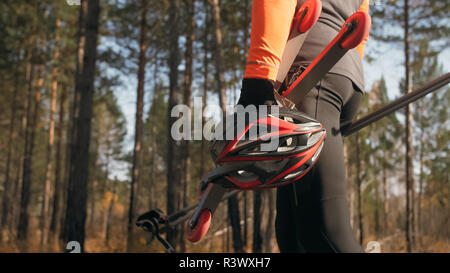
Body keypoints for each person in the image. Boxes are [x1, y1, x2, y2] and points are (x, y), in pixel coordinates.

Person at [237, 0, 370, 253]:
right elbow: (363, 17)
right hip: (343, 76)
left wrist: (258, 81)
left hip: (309, 79)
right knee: (292, 235)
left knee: (322, 233)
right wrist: (344, 65)